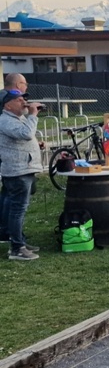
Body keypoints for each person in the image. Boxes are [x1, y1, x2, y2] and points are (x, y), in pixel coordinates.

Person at [0, 87, 44, 260]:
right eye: (19, 100)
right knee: (17, 210)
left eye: (24, 99)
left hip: (24, 168)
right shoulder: (5, 120)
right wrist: (33, 115)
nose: (24, 102)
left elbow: (23, 138)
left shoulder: (17, 118)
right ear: (8, 105)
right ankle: (17, 248)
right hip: (17, 171)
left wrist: (36, 145)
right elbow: (26, 134)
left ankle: (19, 242)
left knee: (18, 209)